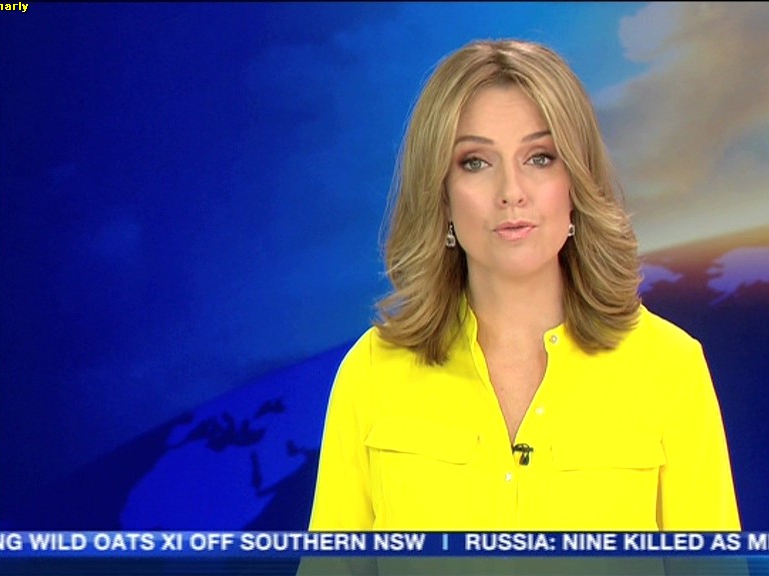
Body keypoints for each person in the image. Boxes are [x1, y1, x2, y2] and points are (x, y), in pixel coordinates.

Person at [308, 38, 740, 534]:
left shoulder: (670, 369)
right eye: (475, 162)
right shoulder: (371, 374)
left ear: (576, 182)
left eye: (540, 158)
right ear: (441, 194)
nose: (511, 193)